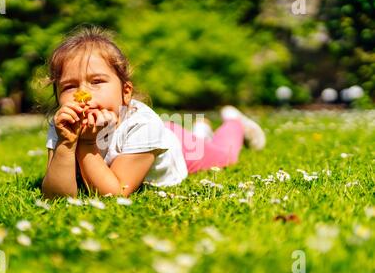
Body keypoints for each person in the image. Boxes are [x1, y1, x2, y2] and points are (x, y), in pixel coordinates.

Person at [41, 25, 265, 198]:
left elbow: (114, 193)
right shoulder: (64, 125)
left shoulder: (143, 126)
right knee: (202, 139)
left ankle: (234, 122)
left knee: (224, 155)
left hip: (179, 149)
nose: (84, 94)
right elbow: (55, 196)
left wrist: (88, 144)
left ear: (125, 92)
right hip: (160, 135)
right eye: (69, 86)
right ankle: (202, 129)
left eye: (97, 81)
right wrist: (67, 146)